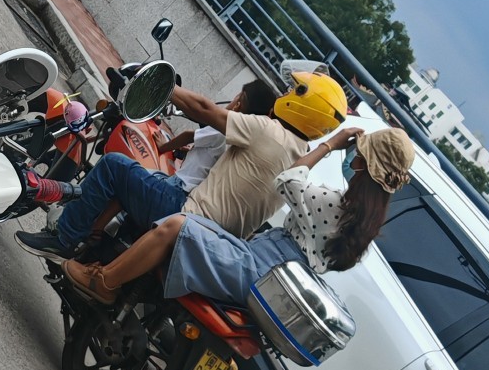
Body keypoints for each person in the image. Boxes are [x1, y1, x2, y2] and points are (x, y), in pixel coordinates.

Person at [61, 123, 417, 309]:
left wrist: (330, 144)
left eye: (357, 154)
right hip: (269, 273)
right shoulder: (361, 226)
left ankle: (104, 282)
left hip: (257, 268)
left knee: (178, 225)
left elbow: (288, 179)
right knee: (196, 225)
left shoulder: (335, 204)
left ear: (363, 166)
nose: (352, 157)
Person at [15, 70, 351, 263]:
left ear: (304, 103)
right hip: (218, 242)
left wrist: (158, 81)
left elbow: (203, 109)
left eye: (295, 90)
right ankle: (95, 239)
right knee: (140, 179)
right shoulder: (301, 158)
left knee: (115, 166)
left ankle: (64, 238)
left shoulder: (267, 131)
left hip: (185, 213)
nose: (288, 92)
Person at [168, 77, 279, 194]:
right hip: (193, 192)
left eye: (237, 97)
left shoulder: (223, 129)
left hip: (180, 185)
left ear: (237, 105)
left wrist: (163, 146)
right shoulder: (241, 143)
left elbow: (189, 133)